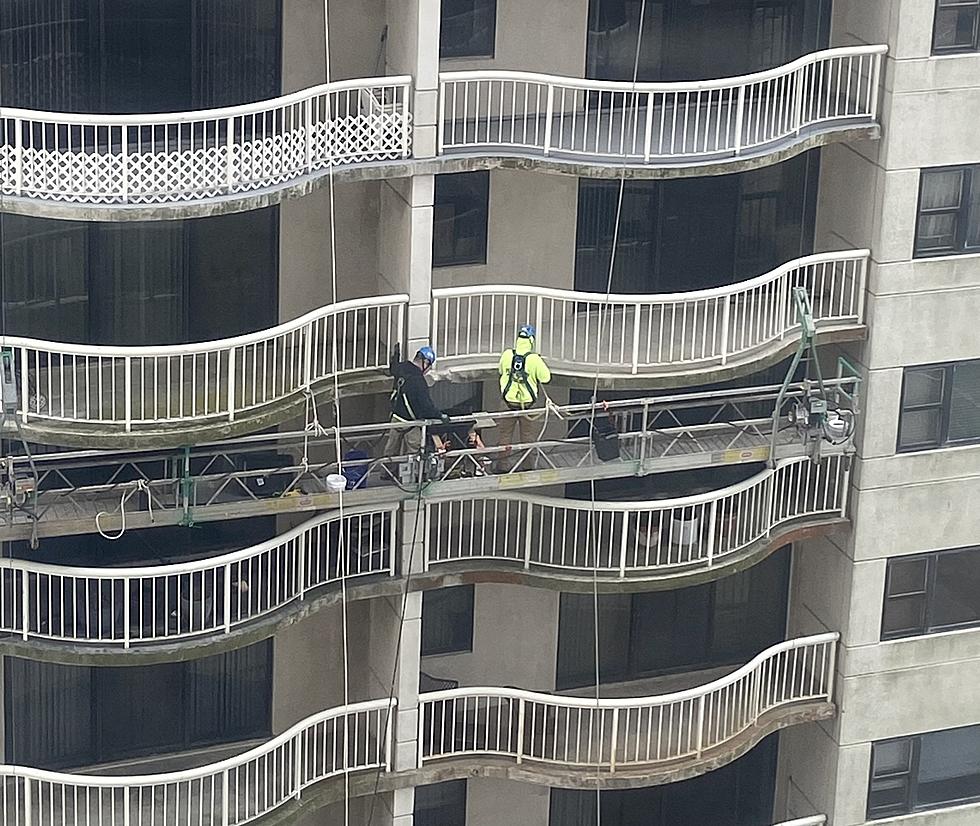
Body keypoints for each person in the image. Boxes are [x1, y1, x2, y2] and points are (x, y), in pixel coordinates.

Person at [383, 344, 450, 460]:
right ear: (426, 363)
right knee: (413, 451)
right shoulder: (419, 381)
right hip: (411, 421)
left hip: (396, 417)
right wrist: (440, 416)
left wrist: (395, 357)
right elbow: (426, 407)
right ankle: (408, 477)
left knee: (391, 449)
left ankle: (387, 473)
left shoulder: (402, 368)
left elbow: (393, 368)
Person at [497, 324, 552, 452]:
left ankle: (503, 466)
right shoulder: (534, 359)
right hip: (528, 405)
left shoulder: (507, 354)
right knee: (527, 438)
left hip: (508, 402)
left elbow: (500, 370)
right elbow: (546, 378)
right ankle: (527, 466)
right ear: (531, 341)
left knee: (504, 436)